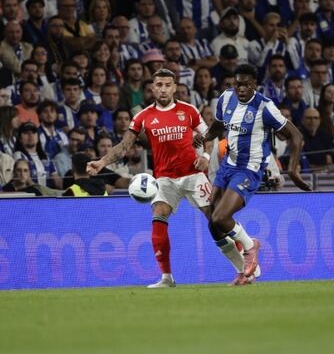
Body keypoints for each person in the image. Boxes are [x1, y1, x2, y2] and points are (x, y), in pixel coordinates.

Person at [87, 68, 224, 288]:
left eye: (167, 85)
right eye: (158, 85)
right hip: (164, 179)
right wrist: (101, 163)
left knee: (217, 219)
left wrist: (206, 157)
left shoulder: (188, 111)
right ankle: (166, 277)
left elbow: (208, 137)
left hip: (193, 174)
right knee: (158, 216)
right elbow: (124, 147)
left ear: (174, 87)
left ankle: (245, 261)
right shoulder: (143, 116)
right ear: (152, 88)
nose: (163, 89)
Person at [198, 63, 310, 285]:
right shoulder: (225, 99)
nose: (241, 89)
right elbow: (219, 126)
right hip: (228, 165)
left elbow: (295, 136)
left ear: (255, 85)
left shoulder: (265, 107)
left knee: (221, 217)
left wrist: (292, 170)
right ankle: (243, 272)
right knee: (213, 223)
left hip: (249, 169)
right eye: (237, 84)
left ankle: (251, 246)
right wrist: (204, 137)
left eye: (246, 85)